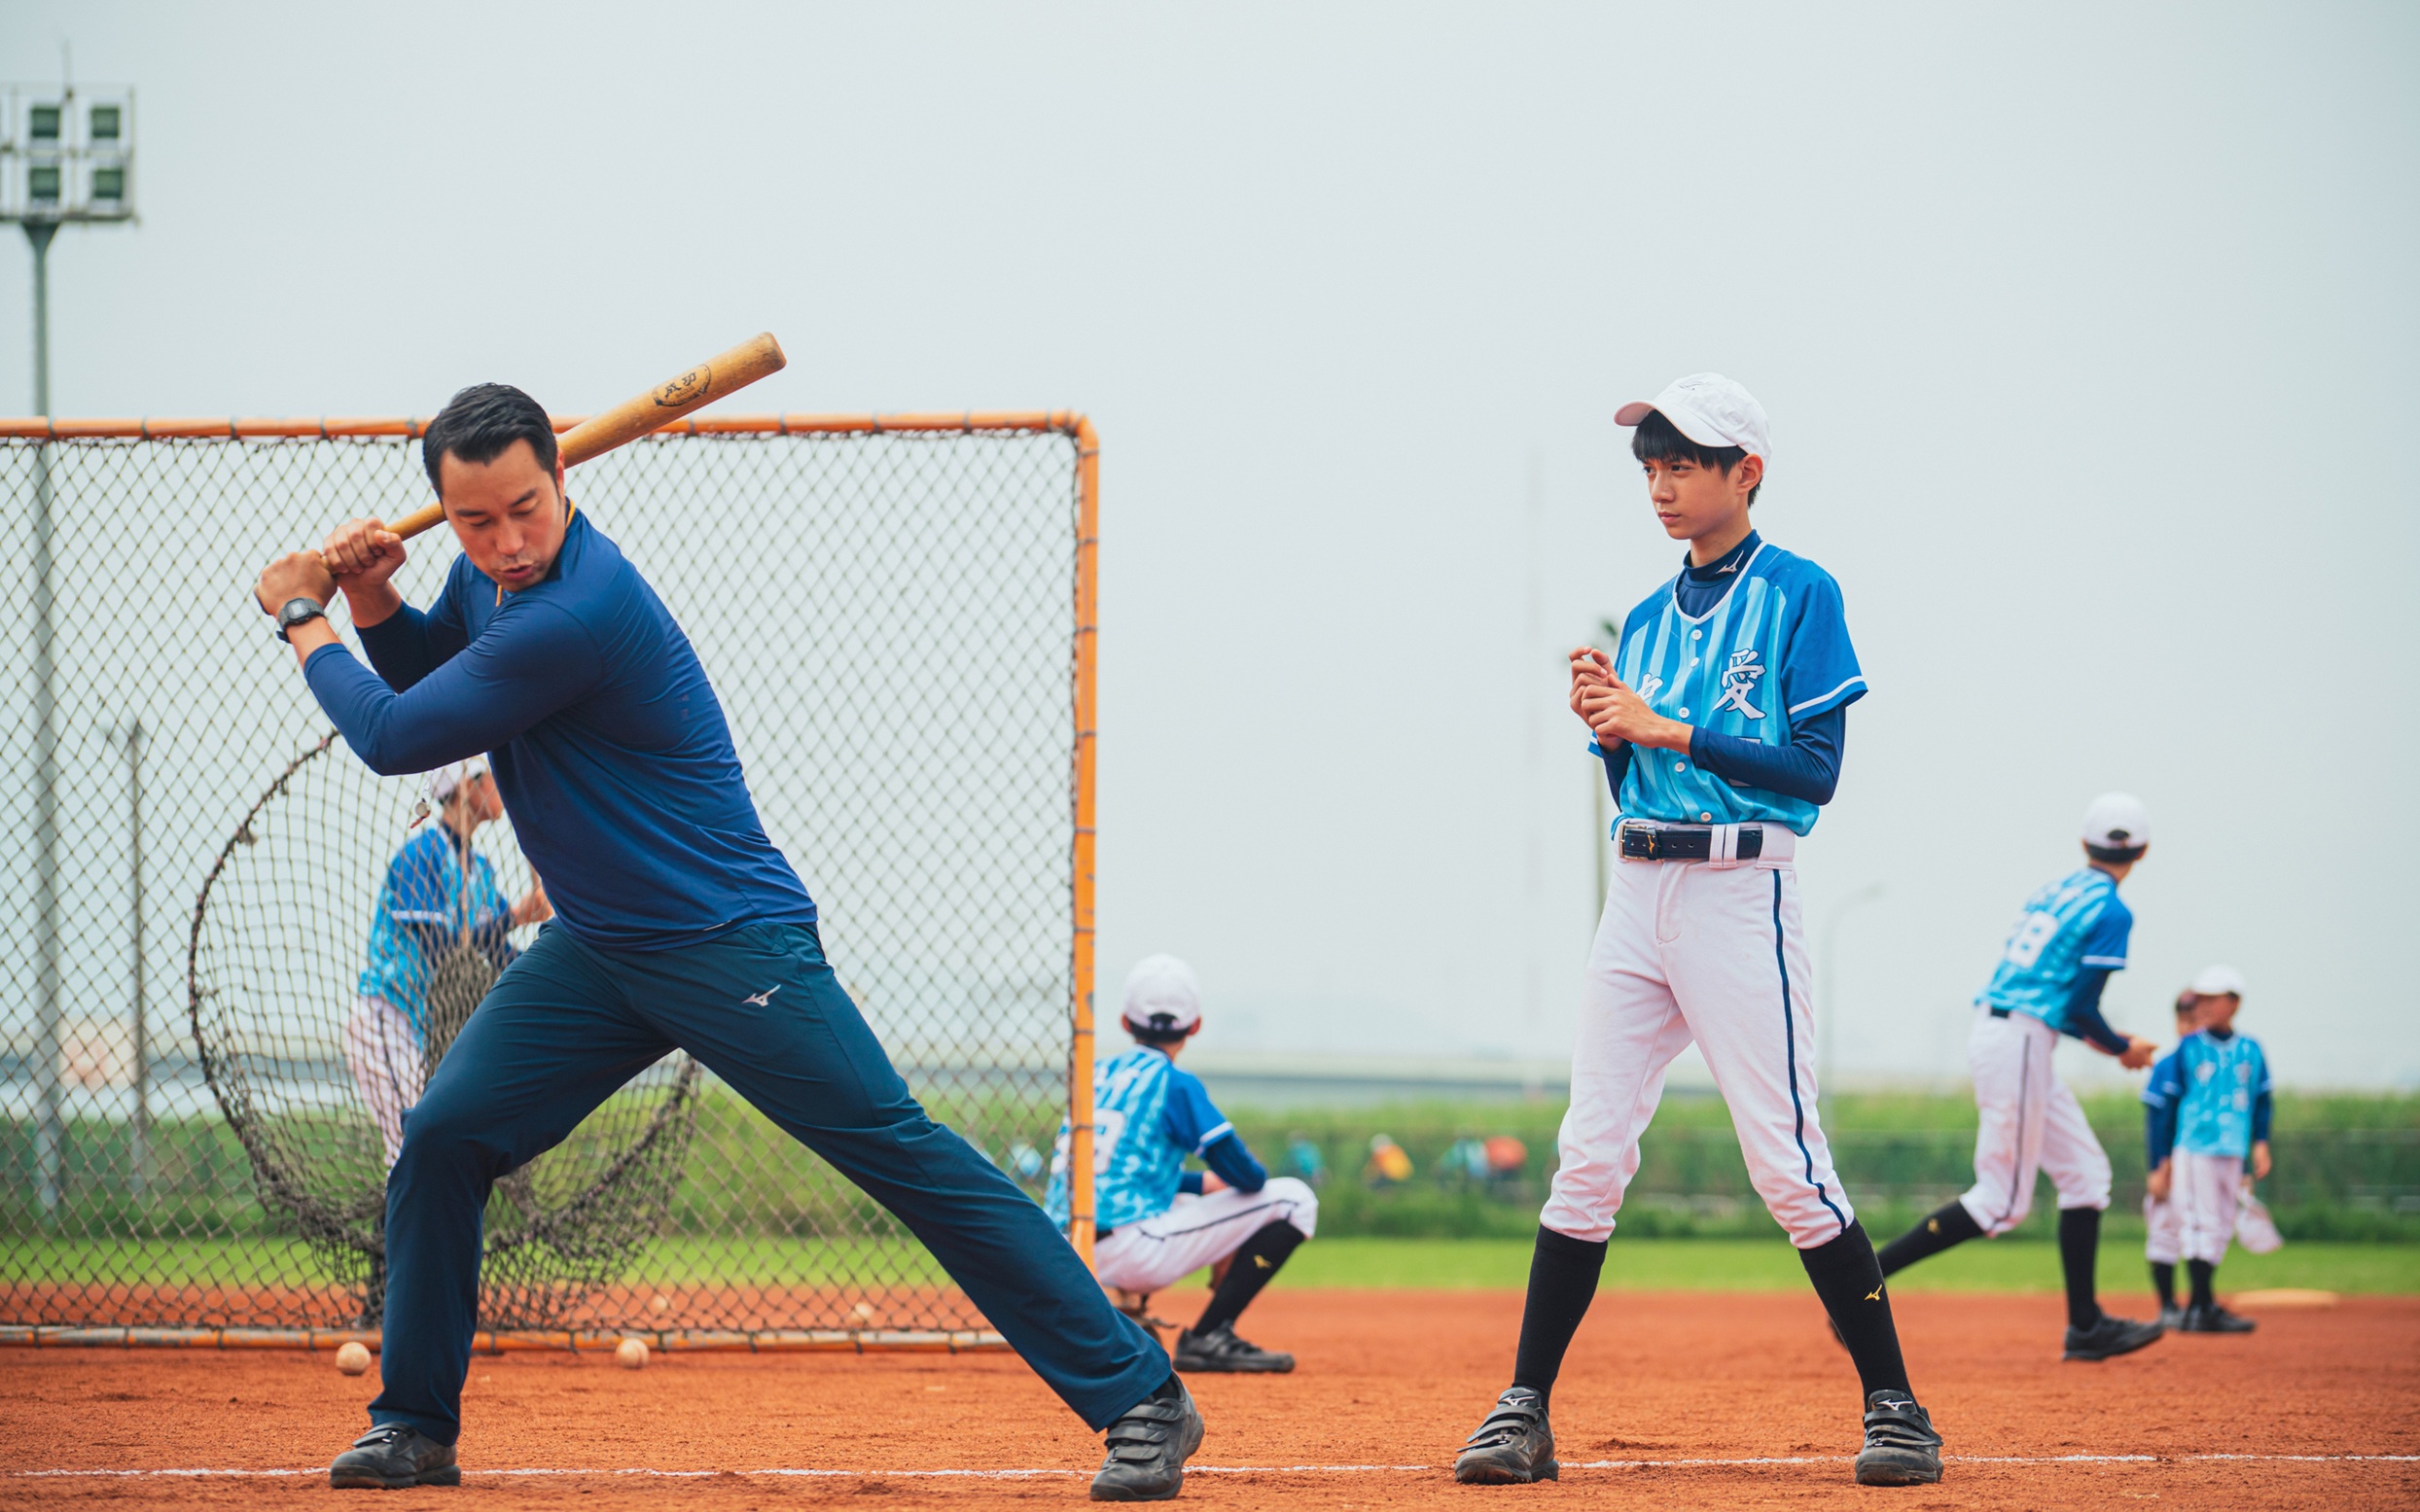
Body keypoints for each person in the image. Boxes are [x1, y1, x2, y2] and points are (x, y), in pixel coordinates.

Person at [252, 383, 1200, 1500]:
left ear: (564, 480)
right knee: (444, 1137)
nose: (505, 541)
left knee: (902, 1150)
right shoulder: (492, 583)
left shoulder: (578, 611)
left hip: (726, 941)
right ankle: (412, 1424)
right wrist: (369, 602)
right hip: (599, 949)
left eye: (524, 509)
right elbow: (434, 680)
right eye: (476, 520)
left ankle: (1142, 1398)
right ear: (448, 517)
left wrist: (302, 616)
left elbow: (399, 736)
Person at [1453, 374, 1943, 1490]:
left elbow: (1814, 771)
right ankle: (1522, 1407)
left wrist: (1662, 722)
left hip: (1739, 893)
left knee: (1788, 1166)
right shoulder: (1639, 615)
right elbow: (1637, 768)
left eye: (1685, 463)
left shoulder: (1799, 593)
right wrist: (1608, 718)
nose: (1663, 484)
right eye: (1651, 465)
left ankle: (1897, 1408)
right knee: (1587, 1156)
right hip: (1637, 892)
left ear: (1747, 473)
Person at [1874, 793, 2167, 1362]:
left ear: (2085, 843)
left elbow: (2056, 997)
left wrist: (2113, 1045)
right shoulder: (2112, 910)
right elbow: (2080, 1006)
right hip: (2022, 1040)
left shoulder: (2054, 891)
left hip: (2011, 1033)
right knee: (2002, 1201)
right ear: (2143, 851)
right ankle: (1857, 1286)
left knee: (2085, 1174)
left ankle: (2086, 1326)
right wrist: (2121, 1048)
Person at [1047, 955, 1316, 1374]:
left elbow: (1111, 1172)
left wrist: (1195, 1185)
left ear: (1124, 1021)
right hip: (1129, 1252)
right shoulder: (1175, 1083)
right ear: (1195, 1026)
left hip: (1062, 1247)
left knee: (1192, 1203)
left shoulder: (1093, 1074)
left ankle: (1124, 1314)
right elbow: (1248, 1176)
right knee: (1295, 1200)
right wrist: (1215, 1188)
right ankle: (1209, 1334)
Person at [345, 758, 550, 1168]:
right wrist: (516, 914)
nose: (499, 784)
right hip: (386, 1017)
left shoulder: (481, 869)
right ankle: (399, 1232)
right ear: (466, 786)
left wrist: (551, 973)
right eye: (490, 774)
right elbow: (444, 947)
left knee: (423, 1152)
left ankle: (399, 1230)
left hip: (418, 1029)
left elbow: (499, 955)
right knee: (411, 1149)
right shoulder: (420, 856)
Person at [2143, 966, 2271, 1334]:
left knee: (2218, 1225)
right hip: (2194, 1146)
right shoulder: (2186, 1051)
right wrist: (2159, 1163)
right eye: (2199, 1001)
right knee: (2192, 1224)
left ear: (2233, 1003)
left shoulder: (2250, 1049)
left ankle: (2201, 1305)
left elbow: (2262, 1100)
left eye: (2211, 999)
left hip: (2231, 1148)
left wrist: (2259, 1144)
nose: (2202, 1008)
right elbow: (2162, 1113)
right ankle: (2192, 1306)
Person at [2140, 989, 2202, 1326]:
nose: (2189, 1027)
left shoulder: (2211, 1069)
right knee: (2164, 1229)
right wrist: (2156, 1166)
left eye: (2196, 1020)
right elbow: (2157, 1121)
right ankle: (2168, 1305)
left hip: (2204, 1160)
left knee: (2202, 1230)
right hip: (2171, 1163)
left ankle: (2199, 1304)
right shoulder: (2166, 1066)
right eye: (2184, 1019)